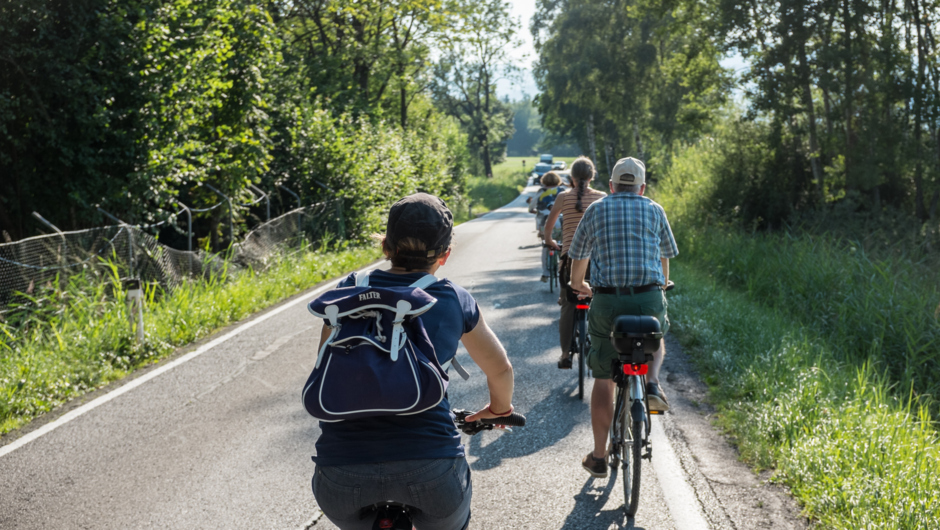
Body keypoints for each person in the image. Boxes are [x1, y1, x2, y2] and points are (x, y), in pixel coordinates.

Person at [310, 193, 515, 530]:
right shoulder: (452, 298)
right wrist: (498, 410)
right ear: (446, 254)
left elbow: (324, 361)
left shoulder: (345, 294)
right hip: (432, 470)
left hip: (340, 475)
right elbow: (501, 369)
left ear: (385, 247)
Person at [566, 157, 678, 478]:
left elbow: (578, 260)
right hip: (648, 296)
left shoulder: (597, 209)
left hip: (607, 302)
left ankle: (599, 456)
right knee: (656, 338)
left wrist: (580, 285)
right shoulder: (655, 209)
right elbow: (664, 257)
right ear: (642, 187)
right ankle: (652, 384)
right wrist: (661, 286)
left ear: (612, 186)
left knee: (603, 376)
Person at [543, 157, 607, 368]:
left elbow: (549, 226)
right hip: (597, 260)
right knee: (602, 301)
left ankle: (564, 354)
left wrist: (550, 241)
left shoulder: (563, 197)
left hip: (570, 259)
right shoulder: (602, 198)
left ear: (571, 177)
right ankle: (603, 349)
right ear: (592, 176)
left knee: (568, 306)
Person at [528, 171, 565, 282]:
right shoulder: (562, 191)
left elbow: (531, 208)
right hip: (561, 223)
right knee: (562, 247)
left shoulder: (541, 192)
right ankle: (564, 269)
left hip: (544, 224)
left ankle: (545, 273)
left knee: (546, 246)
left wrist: (537, 211)